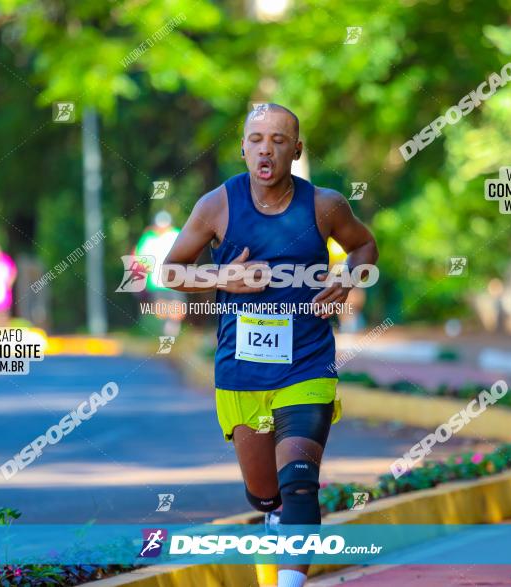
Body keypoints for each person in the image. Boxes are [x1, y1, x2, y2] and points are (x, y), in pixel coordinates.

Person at [162, 103, 378, 587]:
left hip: (307, 365)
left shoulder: (325, 205)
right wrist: (224, 277)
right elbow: (170, 270)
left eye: (279, 140)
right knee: (265, 492)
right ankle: (272, 516)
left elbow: (365, 247)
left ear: (296, 150)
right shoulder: (216, 205)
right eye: (256, 138)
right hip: (241, 371)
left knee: (299, 482)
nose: (266, 149)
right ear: (242, 148)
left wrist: (346, 277)